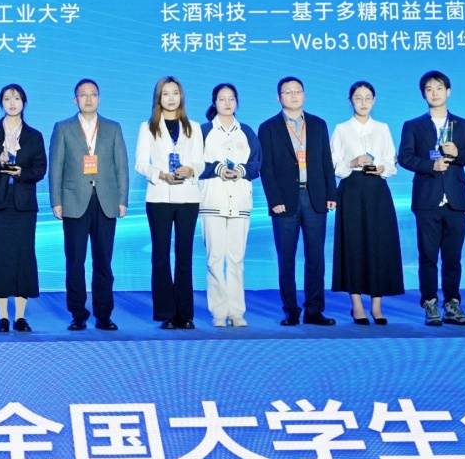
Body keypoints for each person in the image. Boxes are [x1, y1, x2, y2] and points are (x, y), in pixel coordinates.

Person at [397, 70, 465, 327]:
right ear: (423, 94)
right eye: (429, 89)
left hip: (456, 199)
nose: (434, 93)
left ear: (448, 91)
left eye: (439, 88)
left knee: (453, 257)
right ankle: (430, 304)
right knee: (428, 256)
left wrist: (457, 153)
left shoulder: (464, 125)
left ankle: (452, 305)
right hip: (426, 199)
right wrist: (430, 165)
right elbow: (405, 157)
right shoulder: (413, 125)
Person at [49, 78, 129, 331]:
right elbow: (56, 167)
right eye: (83, 95)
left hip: (106, 200)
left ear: (99, 99)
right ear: (75, 100)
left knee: (103, 261)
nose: (88, 98)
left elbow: (121, 166)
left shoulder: (113, 128)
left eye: (93, 94)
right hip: (73, 200)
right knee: (75, 261)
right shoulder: (63, 128)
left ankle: (104, 315)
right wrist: (56, 201)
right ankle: (78, 314)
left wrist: (122, 199)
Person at [257, 77, 337, 326]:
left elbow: (326, 160)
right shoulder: (268, 127)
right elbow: (266, 168)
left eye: (297, 91)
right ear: (278, 97)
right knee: (286, 257)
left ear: (304, 95)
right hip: (285, 200)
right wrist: (274, 200)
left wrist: (331, 194)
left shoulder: (318, 124)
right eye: (287, 92)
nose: (293, 95)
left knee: (316, 257)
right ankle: (290, 310)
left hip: (315, 197)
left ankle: (314, 310)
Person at [0, 83, 47, 332]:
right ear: (1, 103)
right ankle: (3, 316)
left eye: (16, 98)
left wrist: (22, 172)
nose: (12, 103)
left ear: (24, 102)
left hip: (23, 205)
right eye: (7, 98)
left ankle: (20, 317)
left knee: (23, 257)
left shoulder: (34, 136)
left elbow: (40, 169)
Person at [330, 81, 404, 325]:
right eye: (358, 97)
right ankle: (357, 306)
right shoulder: (342, 129)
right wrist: (352, 162)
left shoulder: (382, 128)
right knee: (353, 245)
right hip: (351, 190)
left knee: (378, 244)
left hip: (377, 190)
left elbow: (392, 162)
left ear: (374, 100)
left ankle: (377, 307)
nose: (363, 102)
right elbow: (333, 163)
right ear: (350, 100)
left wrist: (383, 167)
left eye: (368, 98)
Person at [136, 76, 204, 330]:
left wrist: (191, 170)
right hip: (159, 197)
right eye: (166, 93)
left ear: (181, 96)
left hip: (188, 197)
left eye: (175, 93)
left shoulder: (193, 127)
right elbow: (140, 163)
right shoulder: (148, 127)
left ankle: (185, 314)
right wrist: (160, 174)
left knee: (184, 256)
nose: (171, 98)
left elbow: (200, 162)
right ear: (158, 98)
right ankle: (166, 313)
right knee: (161, 256)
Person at [198, 83, 261, 328]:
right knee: (215, 259)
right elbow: (195, 164)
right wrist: (217, 169)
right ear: (214, 102)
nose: (227, 103)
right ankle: (218, 312)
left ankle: (236, 312)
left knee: (236, 259)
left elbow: (257, 164)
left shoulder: (246, 131)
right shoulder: (204, 131)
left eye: (231, 98)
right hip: (212, 202)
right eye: (222, 99)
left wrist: (241, 171)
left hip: (241, 202)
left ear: (237, 102)